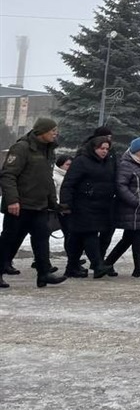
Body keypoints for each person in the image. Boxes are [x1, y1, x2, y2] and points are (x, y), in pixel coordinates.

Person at [0, 117, 67, 289]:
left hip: (39, 205)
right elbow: (8, 175)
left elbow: (47, 179)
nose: (55, 133)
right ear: (42, 131)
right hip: (19, 205)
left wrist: (53, 202)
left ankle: (44, 274)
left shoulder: (48, 150)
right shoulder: (22, 148)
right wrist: (12, 200)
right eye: (52, 130)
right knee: (9, 240)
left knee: (41, 238)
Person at [60, 135, 117, 278]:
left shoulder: (107, 162)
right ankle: (97, 265)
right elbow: (69, 184)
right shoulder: (81, 161)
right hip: (82, 204)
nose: (104, 151)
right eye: (101, 148)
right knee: (90, 234)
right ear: (93, 148)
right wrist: (66, 204)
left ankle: (71, 267)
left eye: (107, 149)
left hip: (101, 205)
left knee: (77, 238)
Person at [106, 138, 140, 276]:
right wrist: (135, 200)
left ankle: (109, 264)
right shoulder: (126, 165)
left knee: (131, 237)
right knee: (136, 236)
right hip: (132, 207)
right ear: (134, 152)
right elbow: (121, 185)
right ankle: (137, 268)